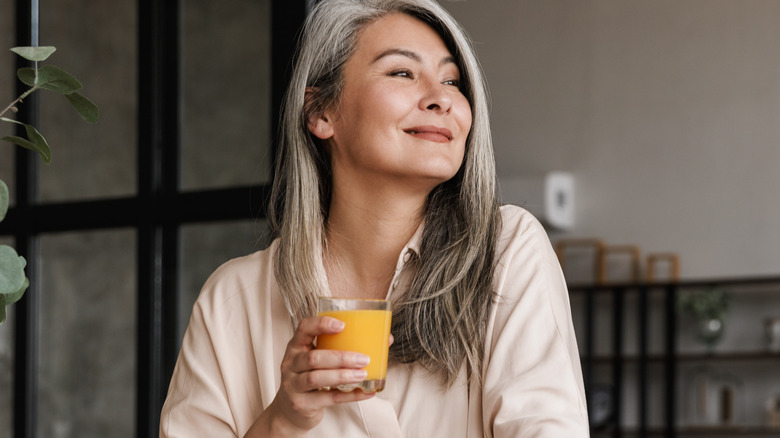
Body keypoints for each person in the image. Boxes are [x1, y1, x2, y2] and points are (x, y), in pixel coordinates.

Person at [160, 0, 589, 436]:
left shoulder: (508, 252)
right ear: (321, 112)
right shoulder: (233, 298)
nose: (442, 98)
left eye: (453, 80)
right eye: (402, 72)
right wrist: (283, 420)